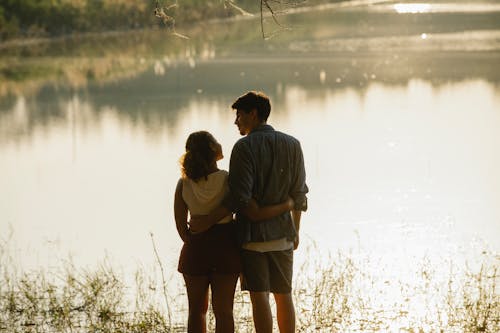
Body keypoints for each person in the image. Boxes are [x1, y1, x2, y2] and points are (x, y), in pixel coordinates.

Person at [191, 91, 308, 333]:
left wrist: (207, 221)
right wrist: (295, 230)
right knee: (284, 296)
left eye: (239, 115)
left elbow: (240, 200)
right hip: (284, 236)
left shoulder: (243, 148)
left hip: (252, 240)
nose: (236, 121)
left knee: (260, 298)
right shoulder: (293, 144)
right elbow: (299, 195)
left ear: (253, 114)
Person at [174, 130, 296, 333]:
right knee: (224, 312)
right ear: (212, 149)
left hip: (196, 248)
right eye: (216, 141)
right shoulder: (227, 180)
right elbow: (238, 204)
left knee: (196, 311)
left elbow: (180, 225)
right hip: (225, 249)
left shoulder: (183, 183)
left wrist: (193, 238)